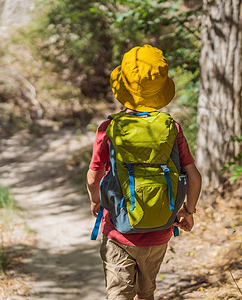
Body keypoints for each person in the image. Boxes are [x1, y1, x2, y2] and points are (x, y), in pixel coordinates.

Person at [86, 44, 202, 300]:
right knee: (146, 294)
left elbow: (94, 174)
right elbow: (194, 177)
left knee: (118, 295)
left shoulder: (108, 128)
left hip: (118, 230)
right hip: (159, 231)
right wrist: (188, 211)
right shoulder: (172, 127)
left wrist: (96, 200)